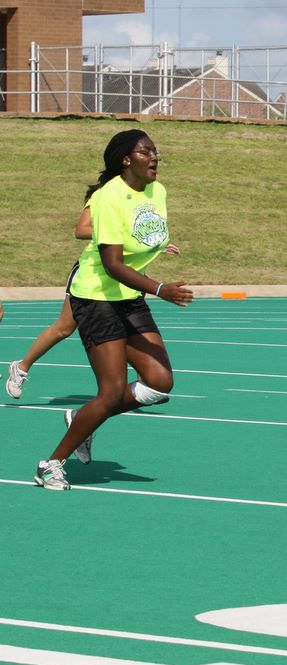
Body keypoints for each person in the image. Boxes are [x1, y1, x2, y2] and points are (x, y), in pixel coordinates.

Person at [34, 129, 193, 490]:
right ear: (125, 159)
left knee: (160, 382)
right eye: (145, 152)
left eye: (156, 151)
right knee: (111, 391)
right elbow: (112, 264)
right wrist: (160, 288)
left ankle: (83, 418)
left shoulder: (157, 191)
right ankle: (50, 464)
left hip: (128, 296)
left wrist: (159, 251)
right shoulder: (107, 198)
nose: (154, 157)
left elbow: (143, 236)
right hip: (96, 298)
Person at [5, 209, 179, 400]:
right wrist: (122, 235)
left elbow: (140, 229)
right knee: (64, 328)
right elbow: (81, 230)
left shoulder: (138, 198)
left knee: (134, 325)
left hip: (129, 271)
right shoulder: (102, 197)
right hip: (94, 275)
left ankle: (147, 382)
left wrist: (155, 243)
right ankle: (21, 367)